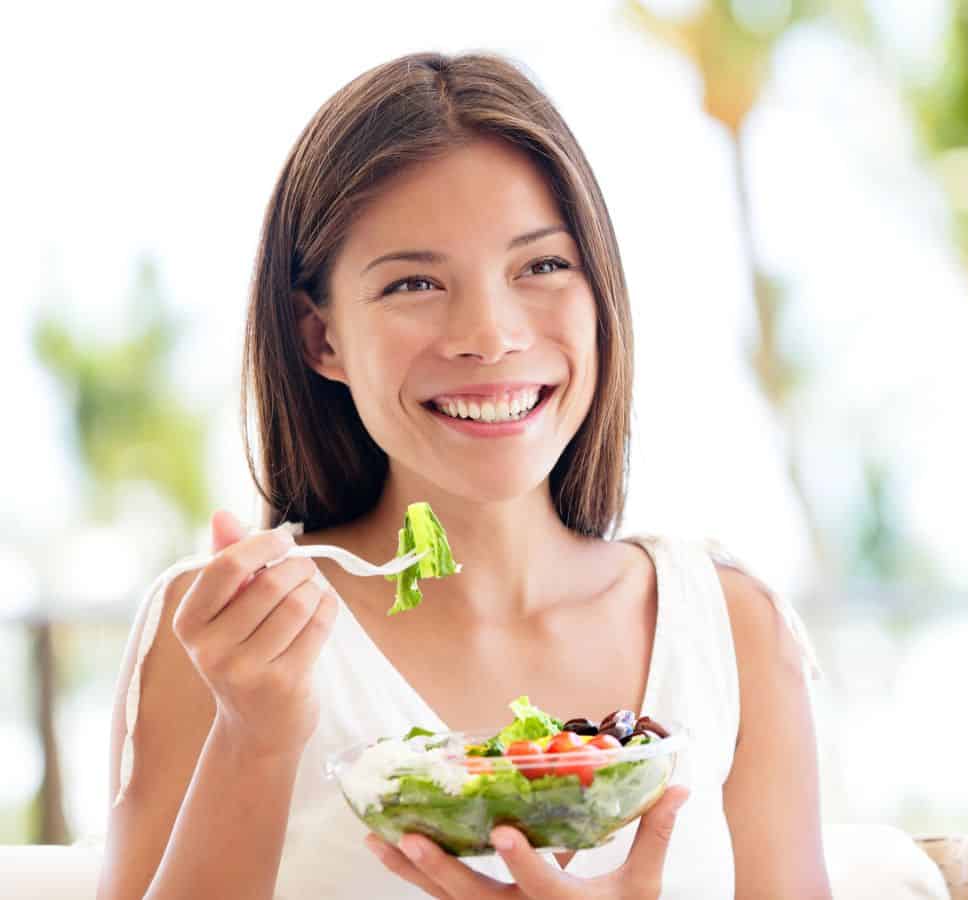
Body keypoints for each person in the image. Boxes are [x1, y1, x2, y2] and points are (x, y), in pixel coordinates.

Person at [97, 50, 830, 900]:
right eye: (414, 282)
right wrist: (252, 738)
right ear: (320, 339)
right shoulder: (226, 644)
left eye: (541, 266)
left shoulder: (731, 631)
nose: (488, 333)